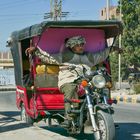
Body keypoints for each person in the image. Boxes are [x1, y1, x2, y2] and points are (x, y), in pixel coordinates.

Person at [25, 35, 119, 126]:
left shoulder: (89, 56)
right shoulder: (65, 56)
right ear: (72, 47)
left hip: (85, 80)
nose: (81, 47)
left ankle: (103, 112)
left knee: (100, 86)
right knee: (71, 89)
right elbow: (49, 58)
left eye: (82, 44)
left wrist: (112, 48)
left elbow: (101, 55)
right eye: (78, 45)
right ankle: (69, 117)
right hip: (68, 80)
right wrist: (36, 50)